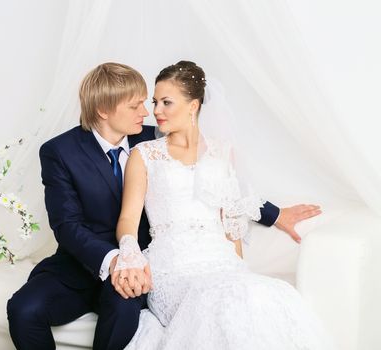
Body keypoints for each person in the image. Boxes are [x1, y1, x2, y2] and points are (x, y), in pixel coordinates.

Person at [6, 62, 321, 350]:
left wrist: (277, 214)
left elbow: (212, 184)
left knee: (126, 308)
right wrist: (117, 259)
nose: (147, 111)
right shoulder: (60, 152)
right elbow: (67, 225)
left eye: (151, 101)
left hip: (144, 269)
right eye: (136, 105)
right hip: (87, 262)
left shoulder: (155, 137)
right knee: (23, 310)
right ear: (103, 110)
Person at [114, 61, 332, 349]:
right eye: (155, 102)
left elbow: (231, 222)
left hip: (221, 264)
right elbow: (128, 218)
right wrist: (130, 253)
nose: (156, 111)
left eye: (166, 102)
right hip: (172, 268)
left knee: (257, 297)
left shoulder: (222, 153)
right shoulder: (143, 155)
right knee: (218, 304)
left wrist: (239, 270)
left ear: (193, 106)